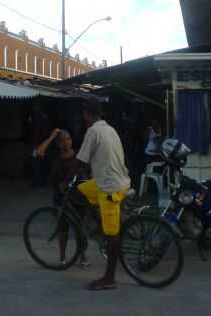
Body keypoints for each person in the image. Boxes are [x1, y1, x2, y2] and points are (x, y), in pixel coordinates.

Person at [71, 98, 131, 290]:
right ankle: (99, 223)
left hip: (110, 187)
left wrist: (65, 180)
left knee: (112, 235)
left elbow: (80, 160)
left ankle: (109, 279)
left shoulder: (93, 131)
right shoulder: (109, 129)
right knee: (81, 189)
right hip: (115, 179)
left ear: (87, 114)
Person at [36, 128, 90, 268]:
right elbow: (38, 152)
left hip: (79, 197)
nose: (66, 143)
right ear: (57, 144)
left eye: (68, 139)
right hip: (61, 197)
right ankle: (62, 257)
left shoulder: (78, 155)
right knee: (63, 229)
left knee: (81, 229)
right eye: (62, 140)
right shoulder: (54, 157)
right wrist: (51, 136)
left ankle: (82, 257)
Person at [31, 105, 53, 187]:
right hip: (43, 144)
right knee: (40, 163)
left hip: (40, 144)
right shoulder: (44, 118)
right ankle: (41, 181)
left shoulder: (40, 118)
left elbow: (37, 133)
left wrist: (35, 144)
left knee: (38, 163)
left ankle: (39, 181)